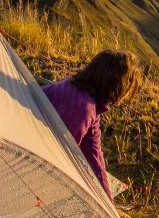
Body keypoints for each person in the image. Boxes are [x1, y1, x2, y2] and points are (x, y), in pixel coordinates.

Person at [43, 49, 142, 201]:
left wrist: (108, 203)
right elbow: (61, 157)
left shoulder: (86, 96)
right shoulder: (82, 108)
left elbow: (94, 154)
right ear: (118, 85)